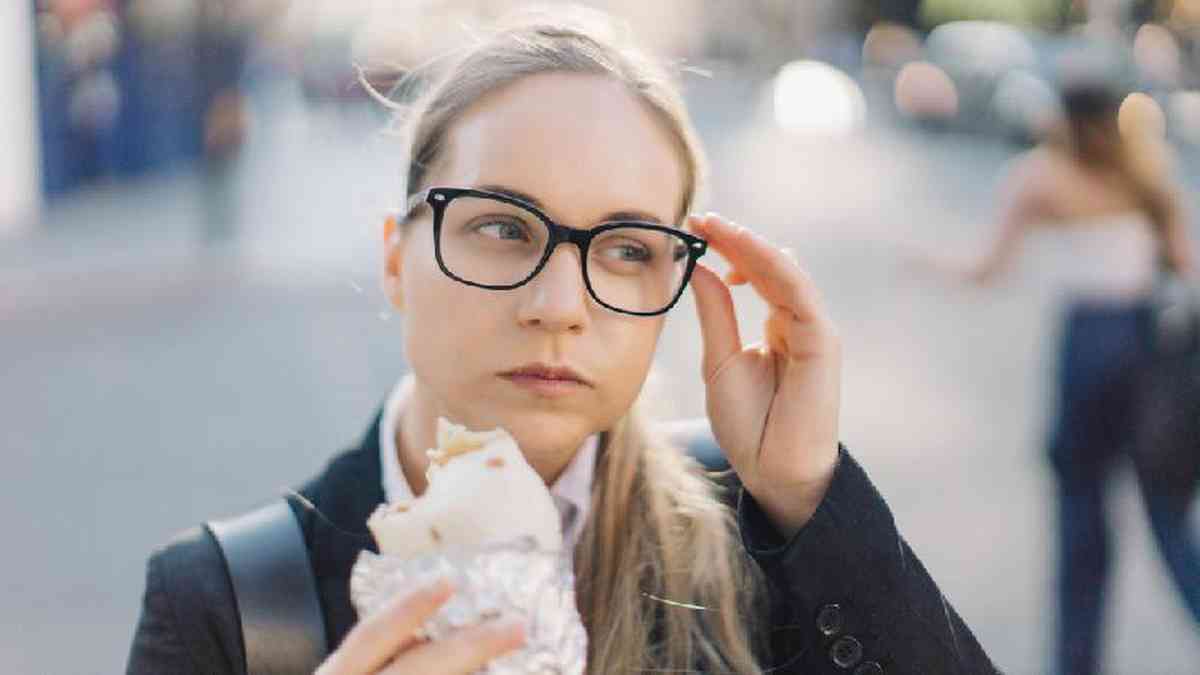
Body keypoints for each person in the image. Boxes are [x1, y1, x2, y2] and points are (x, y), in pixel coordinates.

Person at [126, 9, 998, 675]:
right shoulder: (230, 603)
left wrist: (810, 499)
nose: (557, 305)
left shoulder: (760, 535)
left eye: (625, 250)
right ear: (398, 260)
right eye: (502, 227)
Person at [922, 78, 1199, 675]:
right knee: (1168, 514)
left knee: (1080, 514)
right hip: (1148, 346)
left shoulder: (1040, 178)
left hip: (1088, 346)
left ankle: (1077, 663)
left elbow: (987, 269)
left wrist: (928, 265)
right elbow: (1186, 267)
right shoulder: (1149, 177)